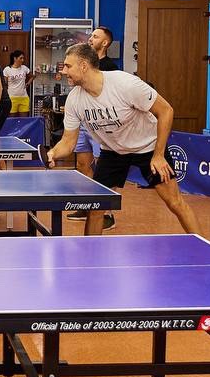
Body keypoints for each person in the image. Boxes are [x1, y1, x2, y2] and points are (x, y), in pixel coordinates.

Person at [47, 43, 199, 237]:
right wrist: (53, 153)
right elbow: (68, 142)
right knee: (96, 207)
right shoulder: (74, 100)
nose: (64, 71)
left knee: (174, 202)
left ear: (84, 66)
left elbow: (166, 111)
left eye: (68, 66)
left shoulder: (125, 84)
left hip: (148, 147)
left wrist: (159, 155)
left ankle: (206, 249)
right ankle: (89, 253)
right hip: (113, 151)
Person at [70, 25, 120, 227]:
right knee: (82, 165)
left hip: (101, 123)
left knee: (103, 169)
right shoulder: (84, 64)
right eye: (91, 36)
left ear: (105, 43)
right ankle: (88, 205)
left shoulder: (111, 67)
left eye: (95, 36)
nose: (90, 39)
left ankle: (107, 213)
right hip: (83, 122)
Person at [3, 50, 33, 115]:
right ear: (15, 58)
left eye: (23, 58)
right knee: (12, 119)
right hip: (12, 98)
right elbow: (4, 84)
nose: (22, 60)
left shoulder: (24, 68)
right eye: (21, 58)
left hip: (24, 97)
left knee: (24, 120)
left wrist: (28, 83)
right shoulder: (7, 69)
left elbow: (32, 76)